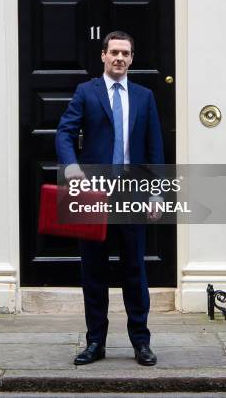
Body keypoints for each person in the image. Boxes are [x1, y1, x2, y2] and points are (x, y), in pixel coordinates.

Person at [55, 30, 164, 366]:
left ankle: (141, 343)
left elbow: (155, 147)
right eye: (114, 52)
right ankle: (95, 343)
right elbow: (65, 132)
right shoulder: (86, 92)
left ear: (132, 59)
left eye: (126, 53)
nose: (119, 58)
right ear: (103, 55)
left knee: (135, 271)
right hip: (93, 195)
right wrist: (71, 165)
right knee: (94, 271)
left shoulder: (145, 96)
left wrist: (157, 192)